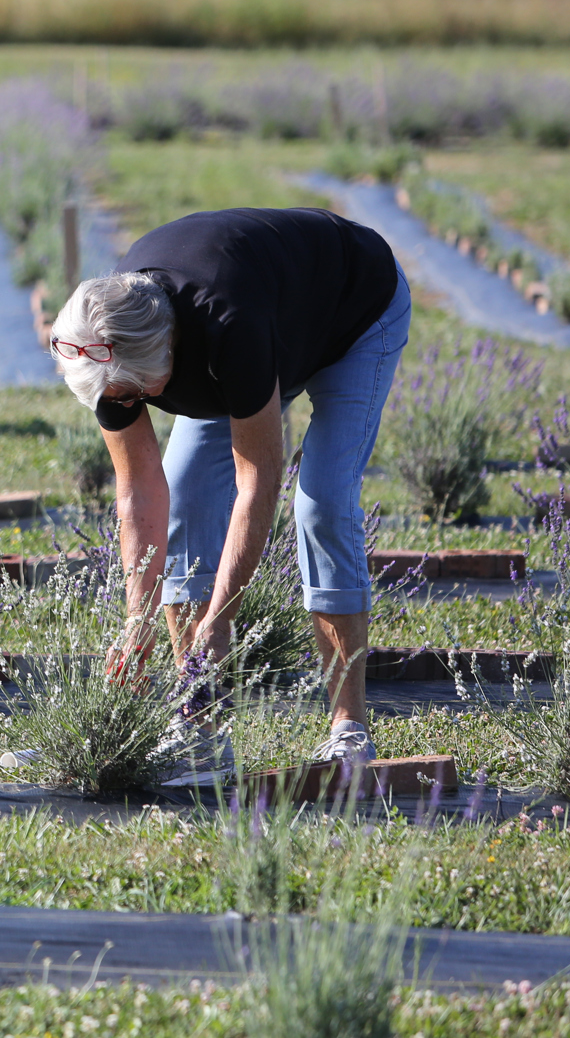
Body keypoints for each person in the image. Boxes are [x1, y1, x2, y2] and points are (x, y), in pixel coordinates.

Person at [46, 207, 409, 778]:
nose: (126, 404)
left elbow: (258, 480)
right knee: (187, 495)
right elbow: (140, 492)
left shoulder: (225, 326)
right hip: (268, 323)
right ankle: (200, 727)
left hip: (353, 309)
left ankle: (348, 728)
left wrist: (222, 616)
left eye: (136, 393)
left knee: (322, 502)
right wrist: (136, 625)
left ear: (168, 354)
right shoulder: (101, 338)